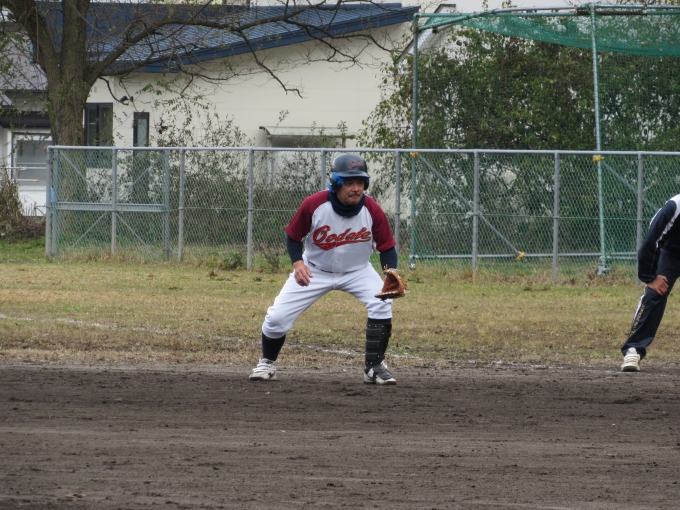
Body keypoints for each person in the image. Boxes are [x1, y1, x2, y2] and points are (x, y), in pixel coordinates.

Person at [249, 153, 400, 384]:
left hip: (358, 271)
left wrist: (391, 273)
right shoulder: (315, 204)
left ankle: (374, 367)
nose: (356, 188)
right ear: (336, 183)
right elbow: (293, 236)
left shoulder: (372, 209)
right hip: (314, 270)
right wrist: (298, 263)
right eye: (349, 182)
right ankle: (267, 362)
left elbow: (387, 247)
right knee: (276, 318)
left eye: (360, 182)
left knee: (382, 302)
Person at [621, 194, 680, 372]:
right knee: (655, 293)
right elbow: (652, 240)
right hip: (672, 253)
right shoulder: (675, 206)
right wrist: (649, 277)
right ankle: (634, 349)